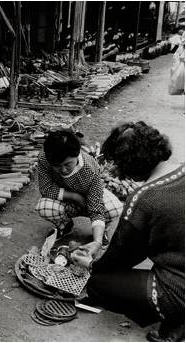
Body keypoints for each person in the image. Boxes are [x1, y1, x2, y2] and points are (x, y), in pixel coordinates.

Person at [71, 122, 184, 342]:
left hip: (181, 288)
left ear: (129, 164)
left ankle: (177, 316)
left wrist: (91, 265)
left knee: (98, 282)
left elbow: (122, 258)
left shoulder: (145, 198)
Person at [35, 130, 123, 251]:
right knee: (44, 207)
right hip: (65, 198)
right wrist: (75, 197)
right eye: (57, 166)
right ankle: (65, 226)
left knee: (115, 209)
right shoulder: (44, 159)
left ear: (77, 154)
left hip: (90, 198)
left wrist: (96, 243)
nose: (63, 170)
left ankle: (100, 233)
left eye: (67, 164)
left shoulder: (90, 168)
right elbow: (46, 188)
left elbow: (96, 207)